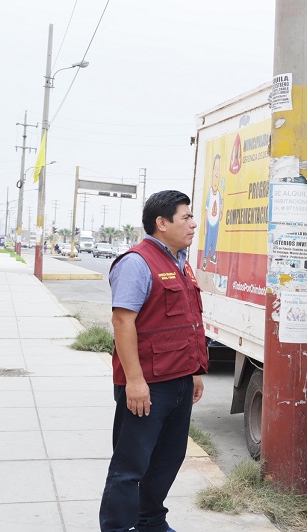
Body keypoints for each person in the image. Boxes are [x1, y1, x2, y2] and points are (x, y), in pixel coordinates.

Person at [99, 190, 207, 532]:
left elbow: (185, 322)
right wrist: (134, 380)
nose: (193, 223)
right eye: (185, 217)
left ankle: (150, 521)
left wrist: (195, 372)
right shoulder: (137, 262)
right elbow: (122, 322)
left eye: (192, 216)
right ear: (161, 223)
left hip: (178, 381)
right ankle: (118, 527)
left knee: (167, 460)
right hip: (147, 385)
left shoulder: (181, 263)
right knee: (130, 465)